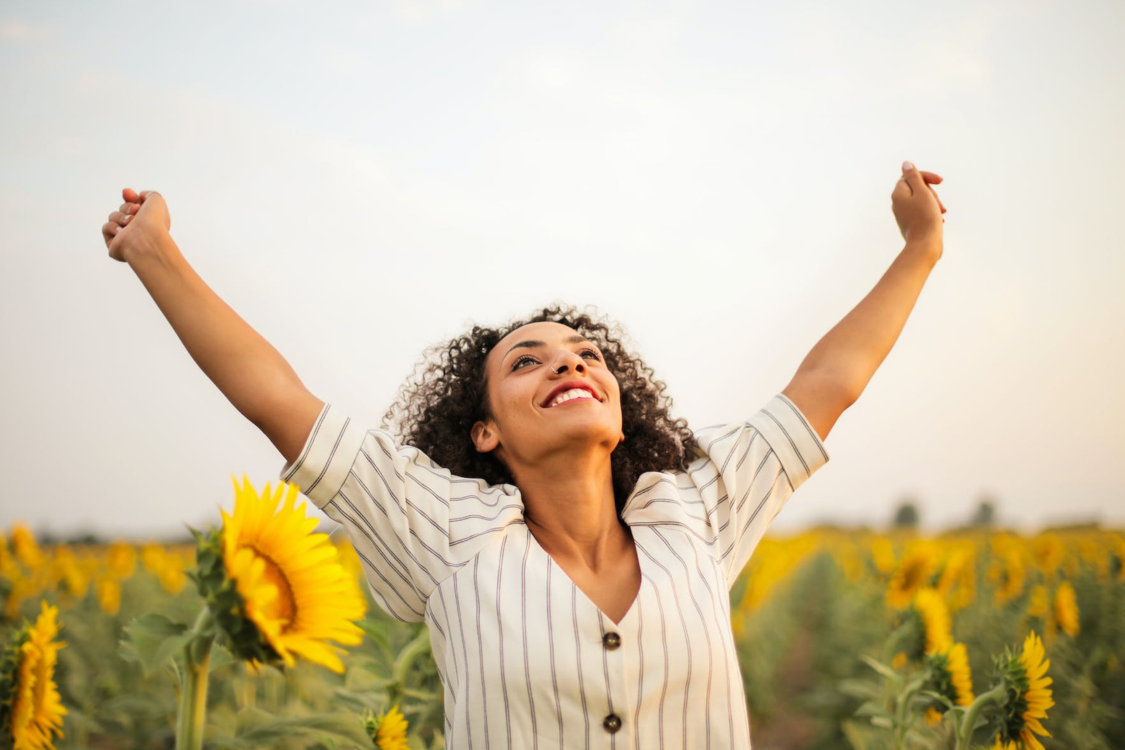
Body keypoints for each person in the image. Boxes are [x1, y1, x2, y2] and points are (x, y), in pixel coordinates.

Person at [100, 162, 946, 748]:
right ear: (485, 432)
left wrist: (918, 250)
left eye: (584, 354)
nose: (568, 363)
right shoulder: (443, 533)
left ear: (620, 411)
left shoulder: (695, 510)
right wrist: (154, 250)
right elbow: (278, 400)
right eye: (526, 361)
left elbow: (828, 381)